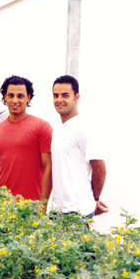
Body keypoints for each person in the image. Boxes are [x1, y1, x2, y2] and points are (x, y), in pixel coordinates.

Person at [0, 75, 53, 209]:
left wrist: (42, 205)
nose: (15, 100)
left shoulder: (42, 127)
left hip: (32, 208)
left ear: (29, 97)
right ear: (5, 97)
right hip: (3, 209)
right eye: (11, 95)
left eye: (20, 96)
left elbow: (49, 167)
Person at [48, 75, 108, 219]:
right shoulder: (58, 130)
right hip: (57, 209)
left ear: (77, 97)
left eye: (65, 95)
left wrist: (94, 199)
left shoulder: (84, 128)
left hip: (78, 212)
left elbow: (99, 169)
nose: (59, 100)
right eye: (55, 96)